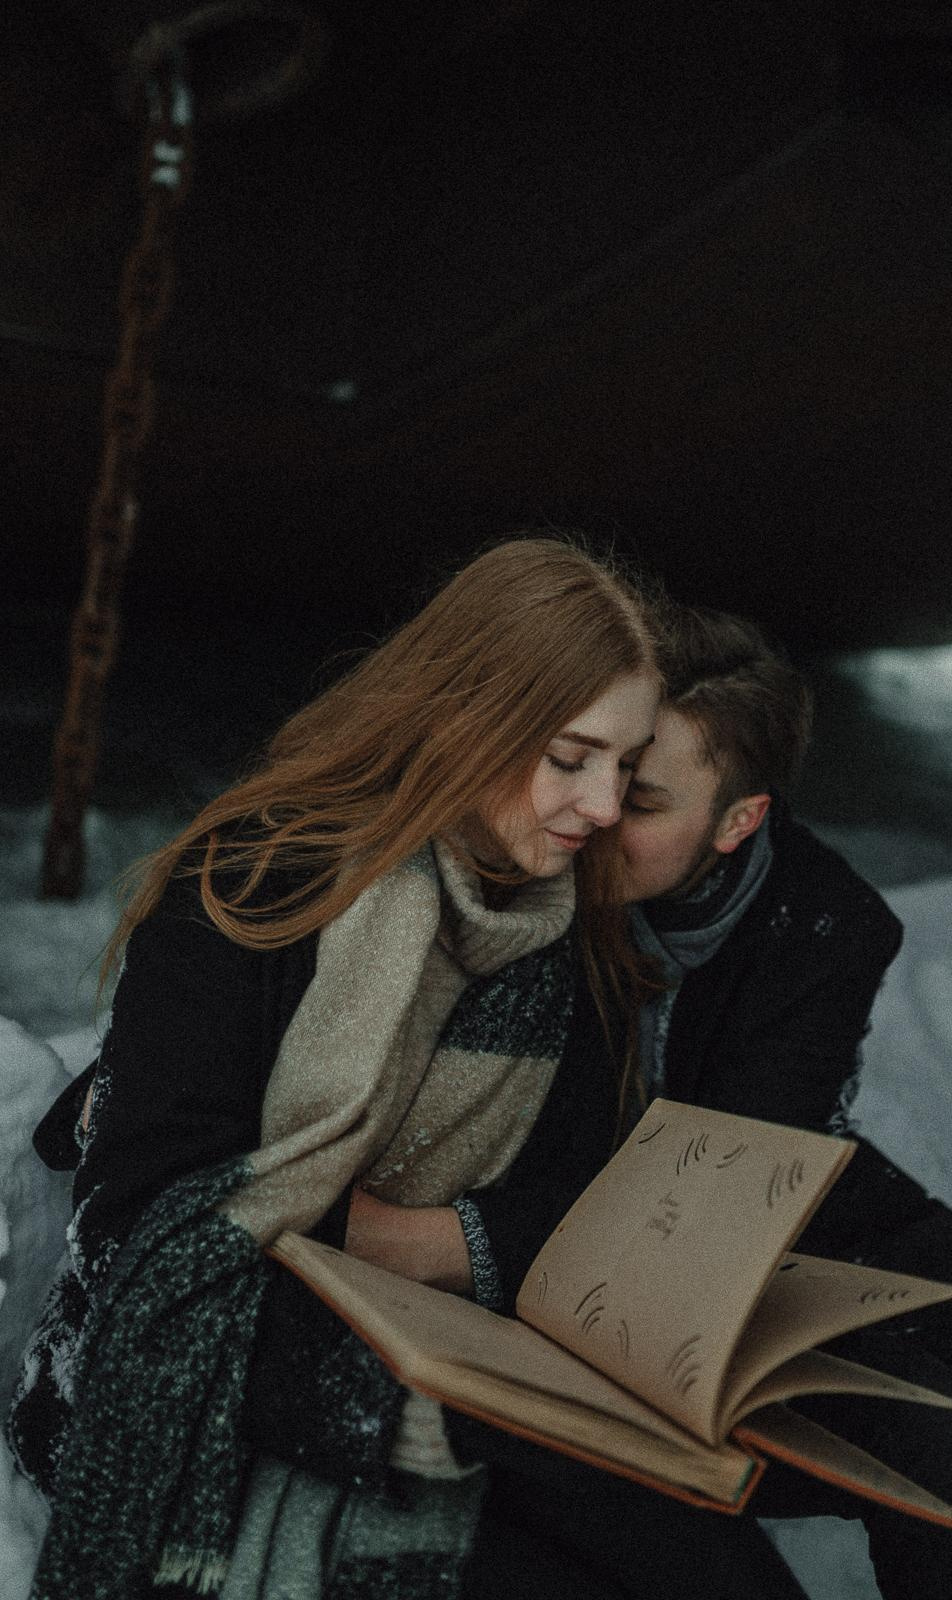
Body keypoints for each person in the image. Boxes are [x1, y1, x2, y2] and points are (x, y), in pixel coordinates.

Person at [6, 536, 663, 1600]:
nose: (601, 805)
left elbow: (582, 1195)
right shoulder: (261, 886)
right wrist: (402, 1397)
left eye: (627, 770)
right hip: (186, 1406)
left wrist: (441, 1249)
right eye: (572, 756)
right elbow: (144, 1231)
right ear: (468, 715)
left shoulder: (562, 945)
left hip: (453, 1400)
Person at [447, 605, 952, 1597]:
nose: (593, 811)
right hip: (564, 1286)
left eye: (639, 798)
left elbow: (731, 1169)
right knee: (927, 1426)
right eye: (583, 767)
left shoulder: (823, 921)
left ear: (737, 819)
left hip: (775, 1233)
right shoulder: (536, 857)